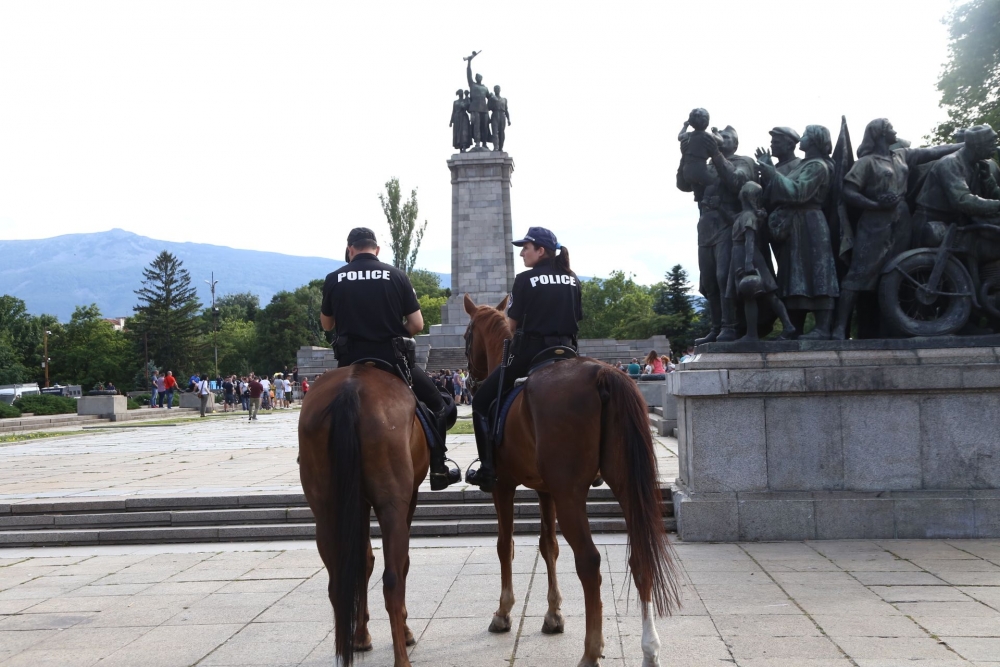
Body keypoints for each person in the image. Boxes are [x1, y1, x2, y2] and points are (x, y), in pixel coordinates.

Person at [320, 227, 460, 491]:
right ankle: (439, 468)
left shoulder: (334, 278)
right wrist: (393, 333)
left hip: (349, 362)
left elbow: (327, 325)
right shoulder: (396, 275)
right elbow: (417, 323)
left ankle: (312, 455)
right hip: (392, 360)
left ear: (350, 249)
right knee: (439, 405)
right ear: (377, 249)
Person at [467, 226, 582, 492]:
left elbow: (512, 325)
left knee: (482, 403)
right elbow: (576, 320)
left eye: (526, 248)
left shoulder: (525, 279)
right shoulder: (573, 278)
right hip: (568, 353)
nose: (522, 254)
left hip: (531, 354)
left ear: (540, 251)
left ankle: (487, 469)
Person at [832, 119, 963, 339]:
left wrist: (964, 144)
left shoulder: (902, 155)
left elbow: (933, 151)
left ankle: (894, 328)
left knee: (899, 269)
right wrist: (875, 204)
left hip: (902, 218)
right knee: (859, 273)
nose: (895, 131)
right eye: (891, 128)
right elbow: (848, 192)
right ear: (881, 133)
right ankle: (838, 327)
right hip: (875, 221)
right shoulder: (866, 162)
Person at [757, 124, 840, 340]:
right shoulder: (804, 165)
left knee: (817, 274)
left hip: (810, 224)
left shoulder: (818, 166)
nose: (801, 138)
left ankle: (822, 328)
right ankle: (794, 326)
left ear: (813, 140)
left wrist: (770, 173)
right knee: (794, 276)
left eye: (804, 135)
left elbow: (799, 192)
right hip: (795, 226)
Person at [676, 108, 724, 202]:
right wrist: (716, 132)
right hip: (700, 169)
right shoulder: (709, 136)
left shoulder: (687, 135)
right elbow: (721, 141)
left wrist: (685, 126)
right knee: (713, 181)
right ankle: (705, 199)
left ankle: (697, 195)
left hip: (687, 171)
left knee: (694, 180)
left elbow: (679, 136)